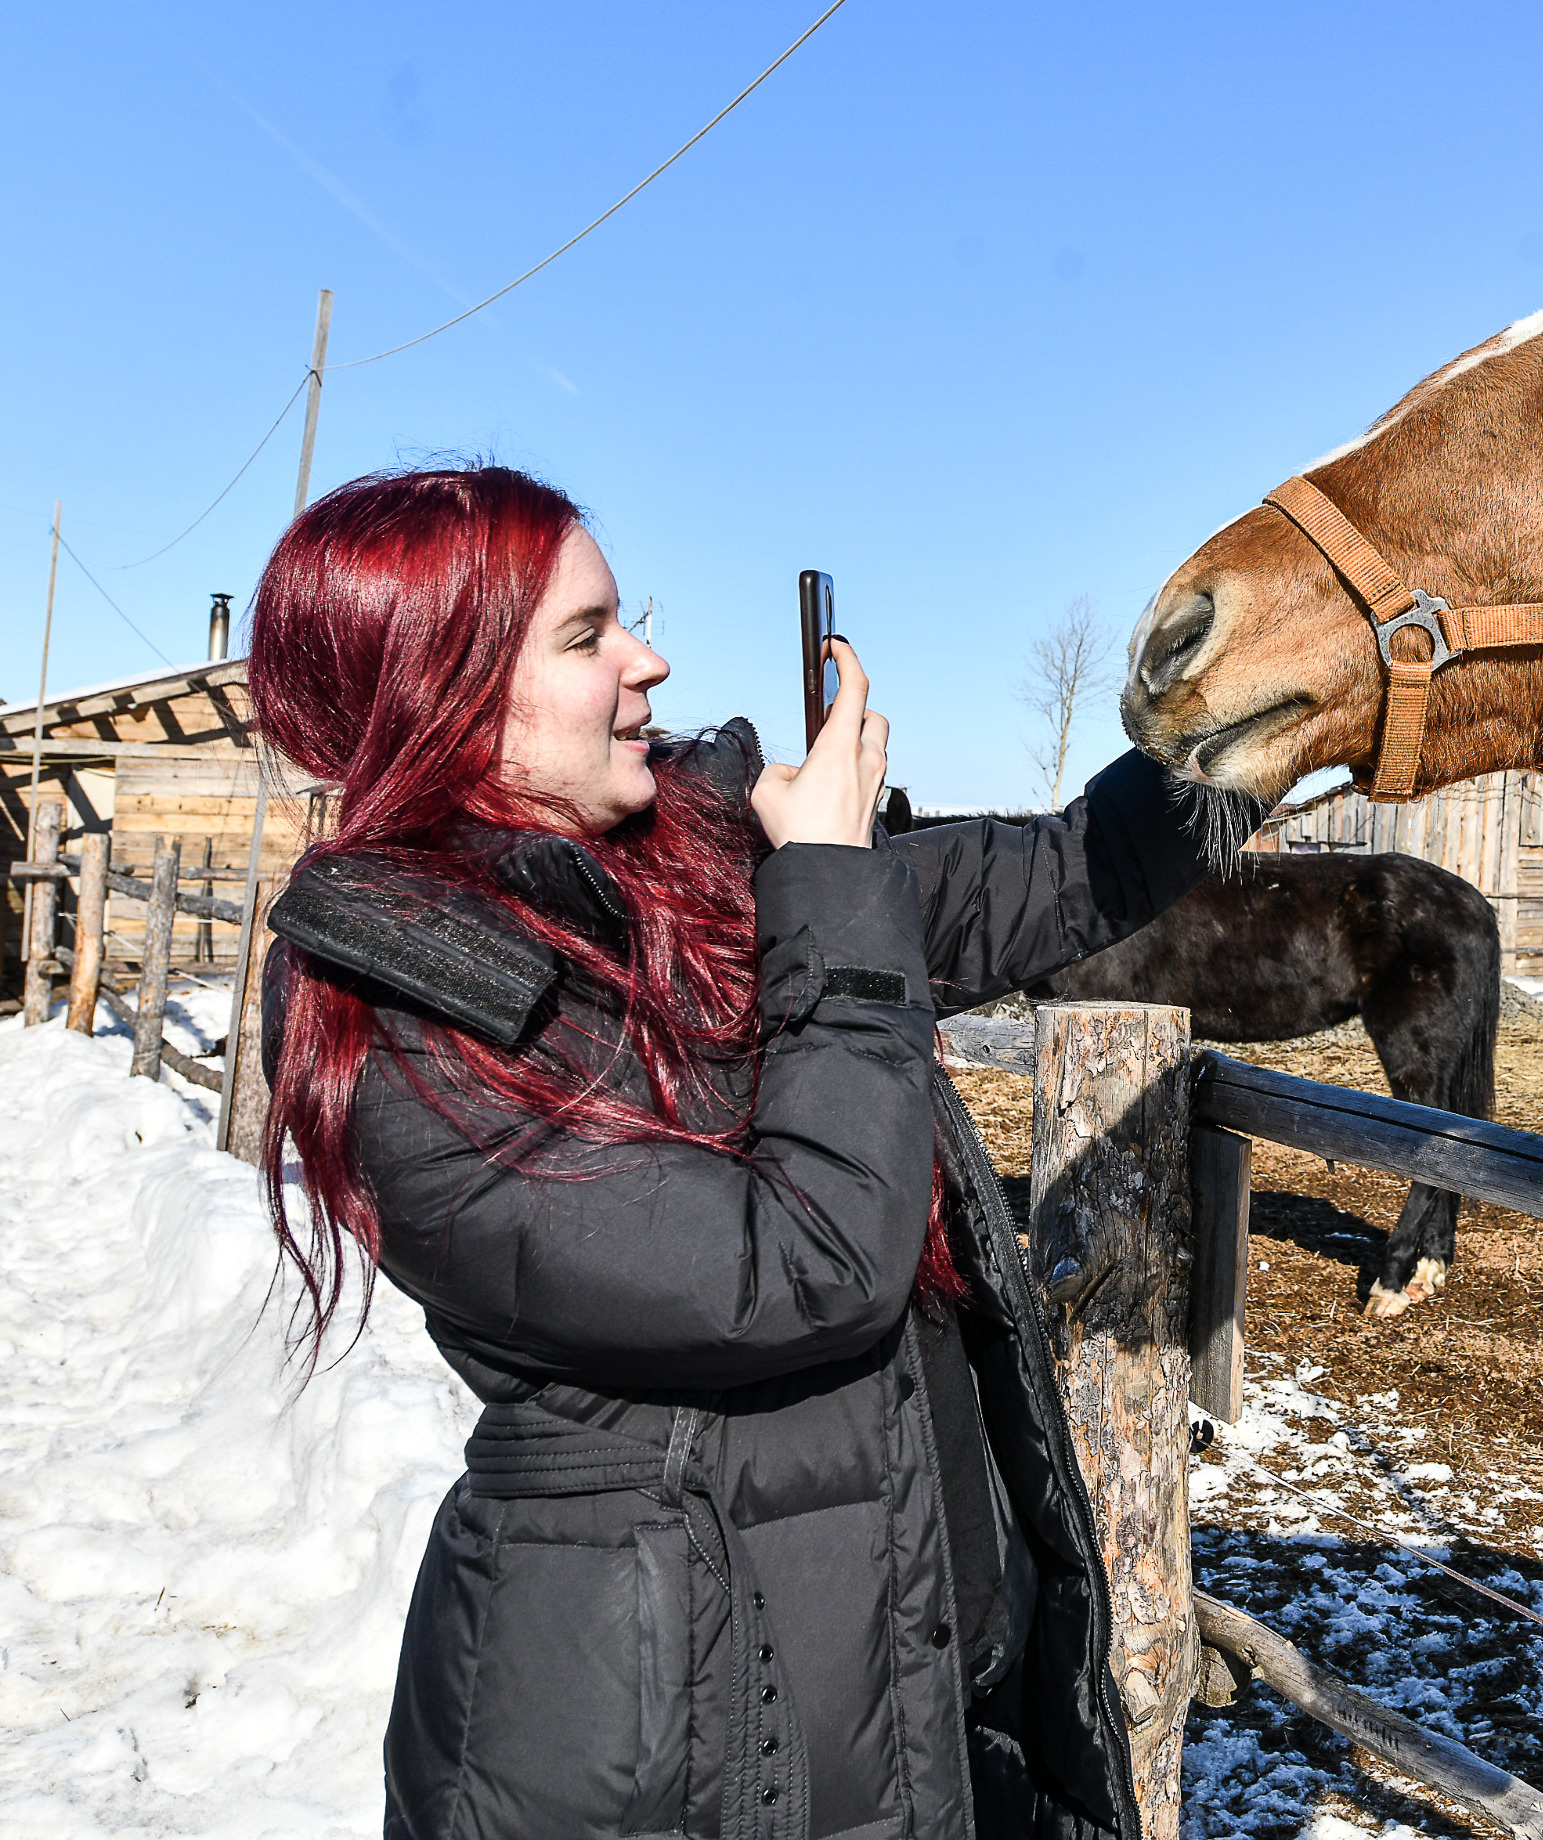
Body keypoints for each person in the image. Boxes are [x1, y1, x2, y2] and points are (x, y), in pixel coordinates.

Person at [248, 465, 1252, 1840]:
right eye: (588, 636)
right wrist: (830, 888)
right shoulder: (407, 1026)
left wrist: (1259, 720)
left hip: (891, 1687)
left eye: (628, 619)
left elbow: (1062, 873)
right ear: (443, 692)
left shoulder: (694, 859)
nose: (649, 661)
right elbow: (801, 1261)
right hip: (666, 1754)